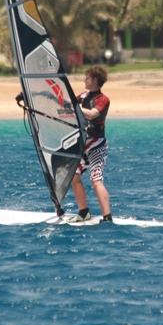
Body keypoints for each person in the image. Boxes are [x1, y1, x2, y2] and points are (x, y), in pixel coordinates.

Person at [68, 65, 113, 223]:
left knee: (96, 180)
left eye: (87, 77)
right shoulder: (83, 95)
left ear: (94, 80)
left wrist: (76, 109)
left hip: (97, 146)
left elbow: (93, 115)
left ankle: (107, 217)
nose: (84, 80)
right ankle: (83, 212)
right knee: (74, 177)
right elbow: (67, 103)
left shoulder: (103, 99)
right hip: (83, 145)